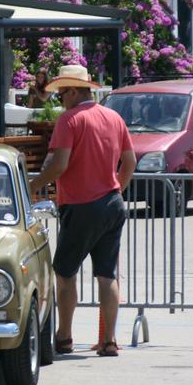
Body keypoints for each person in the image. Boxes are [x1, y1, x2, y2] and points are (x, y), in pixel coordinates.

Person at [30, 64, 137, 357]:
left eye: (62, 94)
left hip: (80, 205)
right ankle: (109, 340)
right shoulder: (114, 117)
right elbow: (130, 163)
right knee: (107, 275)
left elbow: (59, 165)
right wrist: (116, 189)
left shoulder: (70, 120)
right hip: (112, 203)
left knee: (65, 273)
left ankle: (64, 337)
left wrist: (34, 186)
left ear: (74, 91)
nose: (60, 100)